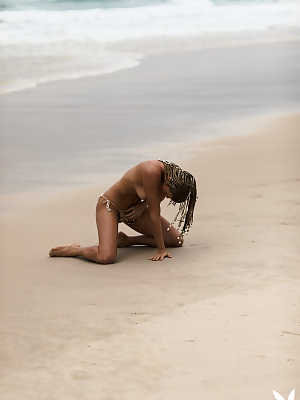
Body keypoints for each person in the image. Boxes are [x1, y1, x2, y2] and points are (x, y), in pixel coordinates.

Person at [49, 160, 197, 263]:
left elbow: (155, 197)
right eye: (168, 194)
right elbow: (154, 215)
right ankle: (76, 250)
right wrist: (161, 250)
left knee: (176, 241)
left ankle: (127, 240)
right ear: (169, 181)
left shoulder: (175, 176)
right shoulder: (151, 171)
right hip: (110, 207)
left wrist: (141, 206)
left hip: (133, 211)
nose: (166, 197)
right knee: (106, 257)